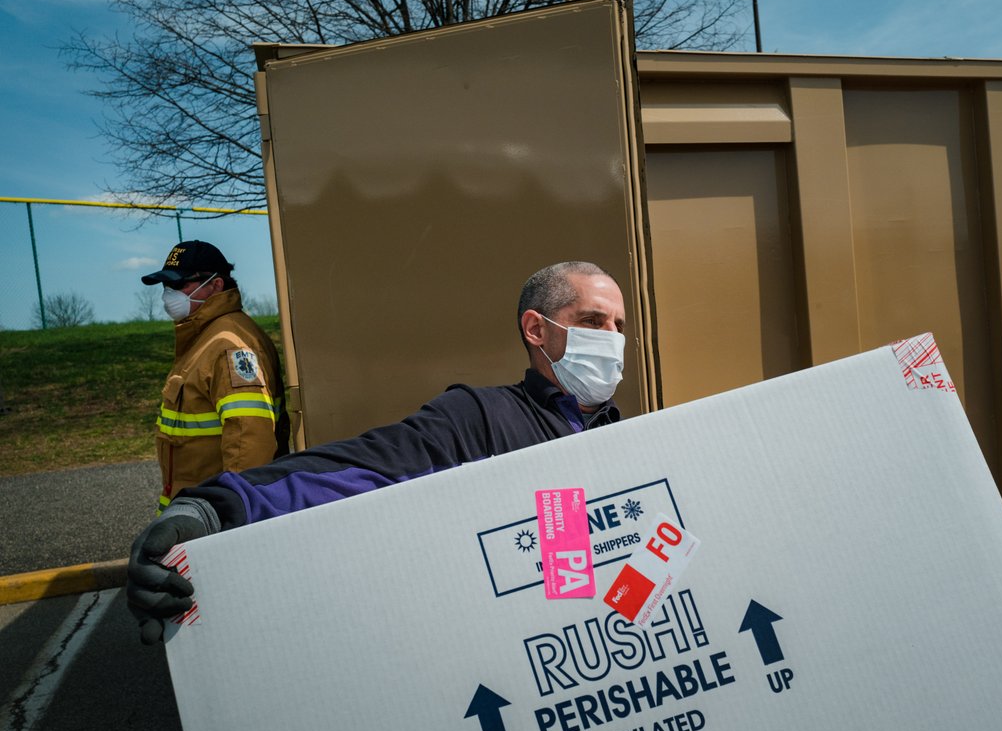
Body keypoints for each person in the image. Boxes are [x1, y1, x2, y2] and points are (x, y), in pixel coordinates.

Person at [127, 260, 627, 642]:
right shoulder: (478, 418)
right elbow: (349, 473)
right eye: (592, 321)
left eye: (618, 327)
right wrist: (212, 509)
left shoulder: (628, 440)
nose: (612, 340)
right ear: (536, 329)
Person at [141, 240, 289, 516]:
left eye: (179, 284)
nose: (168, 294)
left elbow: (249, 439)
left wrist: (232, 512)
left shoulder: (229, 345)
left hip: (215, 515)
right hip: (196, 510)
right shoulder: (205, 338)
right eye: (166, 286)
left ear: (216, 285)